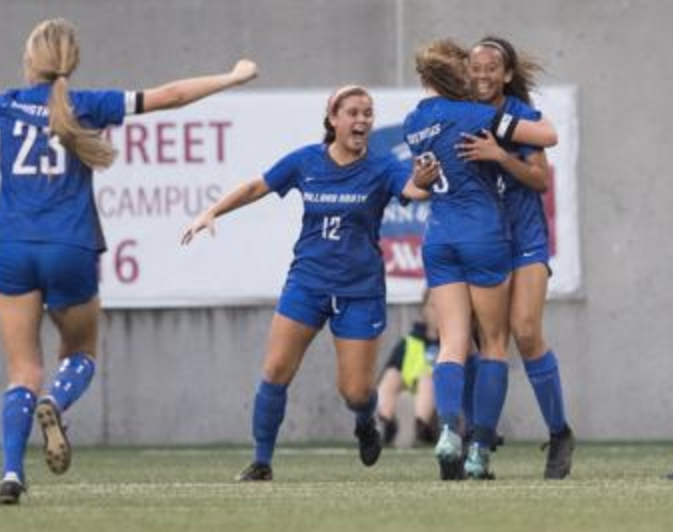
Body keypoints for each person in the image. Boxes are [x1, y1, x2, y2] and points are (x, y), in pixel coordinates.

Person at [0, 17, 258, 505]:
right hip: (71, 246)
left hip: (11, 245)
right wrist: (232, 76)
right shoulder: (87, 104)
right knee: (79, 353)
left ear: (29, 60)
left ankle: (12, 474)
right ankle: (57, 400)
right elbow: (173, 95)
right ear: (70, 62)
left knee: (22, 371)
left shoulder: (5, 104)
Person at [181, 85, 433, 481]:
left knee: (353, 392)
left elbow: (414, 188)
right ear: (333, 118)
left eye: (368, 113)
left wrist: (425, 178)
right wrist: (212, 211)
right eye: (353, 112)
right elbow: (256, 187)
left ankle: (366, 420)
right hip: (307, 283)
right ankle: (262, 462)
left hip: (360, 292)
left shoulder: (383, 168)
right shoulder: (306, 161)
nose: (363, 120)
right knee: (275, 369)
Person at [404, 39, 558, 480]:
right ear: (459, 75)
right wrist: (501, 141)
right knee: (493, 344)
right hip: (483, 235)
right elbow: (547, 135)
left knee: (453, 343)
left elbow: (419, 183)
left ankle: (449, 428)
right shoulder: (474, 114)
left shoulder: (414, 122)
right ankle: (477, 451)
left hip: (438, 238)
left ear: (423, 79)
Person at [457, 35, 575, 480]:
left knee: (525, 332)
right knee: (473, 340)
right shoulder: (459, 114)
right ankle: (478, 439)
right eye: (476, 66)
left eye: (492, 67)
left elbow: (539, 179)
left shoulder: (520, 117)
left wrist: (498, 155)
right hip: (481, 242)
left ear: (506, 74)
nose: (482, 73)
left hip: (524, 239)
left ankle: (560, 432)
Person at [377, 290, 440, 446]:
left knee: (427, 381)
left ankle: (421, 429)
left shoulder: (454, 343)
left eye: (442, 306)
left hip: (441, 392)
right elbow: (392, 369)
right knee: (391, 375)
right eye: (433, 306)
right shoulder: (410, 340)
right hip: (412, 383)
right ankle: (386, 423)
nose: (438, 312)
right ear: (423, 310)